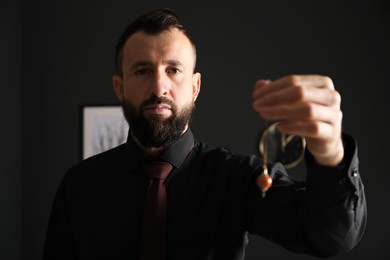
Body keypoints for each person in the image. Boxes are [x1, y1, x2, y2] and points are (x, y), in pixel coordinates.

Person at [42, 8, 366, 260]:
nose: (158, 87)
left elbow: (330, 237)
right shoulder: (79, 186)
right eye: (142, 70)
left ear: (195, 87)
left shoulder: (241, 178)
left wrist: (330, 153)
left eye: (173, 69)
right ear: (120, 87)